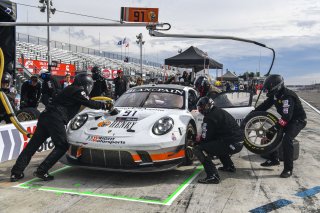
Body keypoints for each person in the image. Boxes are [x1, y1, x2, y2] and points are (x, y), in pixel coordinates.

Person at [10, 73, 114, 182]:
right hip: (55, 118)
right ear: (86, 84)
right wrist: (104, 105)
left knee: (32, 146)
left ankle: (16, 173)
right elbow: (89, 103)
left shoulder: (69, 88)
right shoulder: (78, 90)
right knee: (62, 146)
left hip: (45, 116)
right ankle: (42, 170)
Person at [254, 74, 307, 178]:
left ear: (277, 87)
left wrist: (275, 127)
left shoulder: (287, 96)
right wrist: (252, 113)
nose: (267, 91)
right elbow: (264, 105)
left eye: (269, 89)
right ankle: (274, 159)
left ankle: (288, 169)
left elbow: (286, 117)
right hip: (287, 119)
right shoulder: (275, 95)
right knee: (269, 134)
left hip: (297, 120)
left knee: (287, 140)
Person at [193, 96, 243, 184]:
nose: (201, 109)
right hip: (238, 142)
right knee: (218, 143)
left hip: (232, 144)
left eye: (203, 107)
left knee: (199, 149)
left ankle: (213, 176)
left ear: (210, 105)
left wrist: (196, 142)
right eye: (200, 108)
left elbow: (205, 138)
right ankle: (229, 166)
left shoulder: (209, 117)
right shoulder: (219, 111)